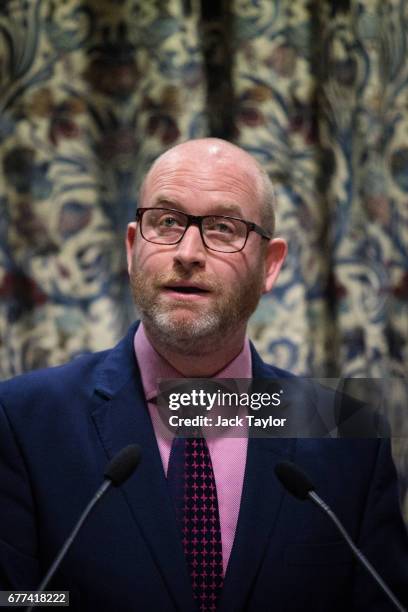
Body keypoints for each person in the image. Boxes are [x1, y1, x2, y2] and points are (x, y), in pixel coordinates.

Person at [0, 138, 407, 612]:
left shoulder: (341, 427)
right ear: (133, 247)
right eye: (167, 221)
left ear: (270, 265)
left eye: (222, 228)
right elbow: (16, 598)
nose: (188, 252)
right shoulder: (25, 420)